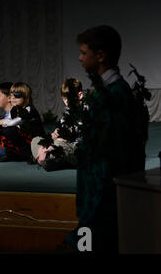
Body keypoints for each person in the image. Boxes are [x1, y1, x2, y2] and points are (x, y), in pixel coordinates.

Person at [64, 25, 146, 253]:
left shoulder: (114, 95)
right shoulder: (106, 92)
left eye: (83, 52)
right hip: (95, 191)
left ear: (100, 56)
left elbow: (112, 152)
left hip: (101, 195)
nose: (80, 58)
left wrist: (93, 202)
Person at [31, 78, 84, 171]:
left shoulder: (86, 113)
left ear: (80, 95)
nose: (67, 101)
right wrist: (51, 138)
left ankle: (49, 158)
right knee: (36, 140)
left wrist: (63, 138)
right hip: (60, 145)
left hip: (77, 150)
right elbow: (56, 133)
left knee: (59, 143)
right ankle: (50, 158)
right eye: (64, 98)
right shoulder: (66, 115)